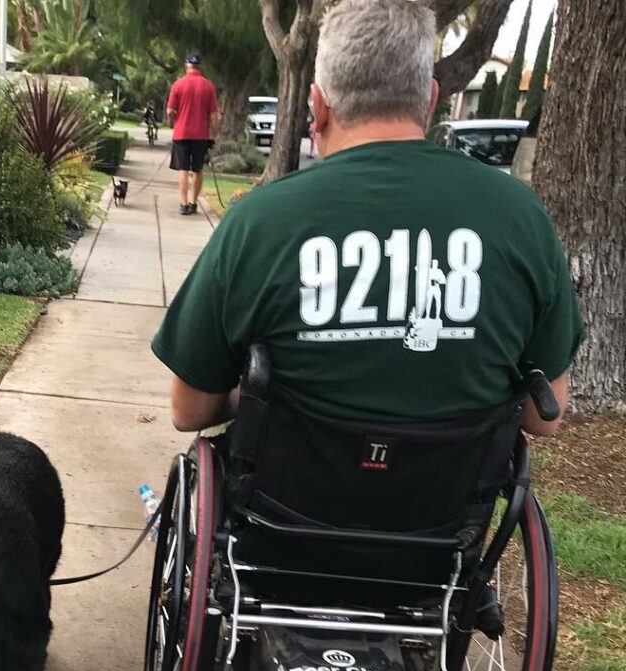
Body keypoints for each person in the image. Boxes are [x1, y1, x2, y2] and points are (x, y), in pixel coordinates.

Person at [152, 0, 582, 438]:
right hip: (458, 484)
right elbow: (544, 414)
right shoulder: (521, 217)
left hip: (284, 481)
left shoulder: (257, 222)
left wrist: (260, 396)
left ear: (318, 106)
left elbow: (189, 410)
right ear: (431, 99)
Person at [166, 53, 220, 215]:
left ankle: (183, 204)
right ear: (200, 67)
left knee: (183, 168)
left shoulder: (178, 84)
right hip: (201, 135)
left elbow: (170, 111)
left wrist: (175, 119)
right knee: (197, 169)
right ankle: (193, 203)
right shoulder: (208, 86)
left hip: (181, 133)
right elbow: (214, 116)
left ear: (186, 66)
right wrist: (213, 135)